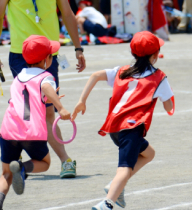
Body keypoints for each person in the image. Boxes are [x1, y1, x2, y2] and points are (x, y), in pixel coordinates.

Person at [72, 31, 174, 210]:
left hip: (114, 127)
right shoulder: (159, 77)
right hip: (131, 127)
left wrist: (82, 101)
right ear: (156, 55)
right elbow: (168, 107)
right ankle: (107, 203)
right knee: (125, 167)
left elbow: (94, 75)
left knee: (149, 153)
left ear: (133, 53)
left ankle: (115, 185)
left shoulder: (122, 71)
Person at [0, 0, 86, 178]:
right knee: (29, 110)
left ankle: (61, 161)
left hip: (49, 54)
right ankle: (58, 159)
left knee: (46, 112)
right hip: (21, 54)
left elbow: (67, 13)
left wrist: (78, 48)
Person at [0, 35, 71, 210]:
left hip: (9, 130)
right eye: (51, 54)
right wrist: (60, 107)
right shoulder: (46, 76)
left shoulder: (18, 78)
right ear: (45, 59)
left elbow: (26, 100)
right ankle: (22, 168)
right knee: (45, 163)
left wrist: (49, 98)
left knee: (6, 174)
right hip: (31, 132)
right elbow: (46, 88)